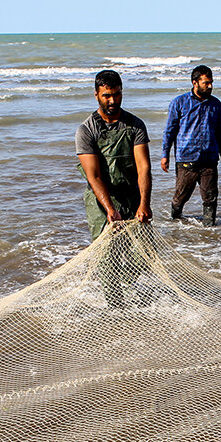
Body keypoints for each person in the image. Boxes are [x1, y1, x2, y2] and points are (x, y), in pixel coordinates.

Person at [75, 70, 153, 307]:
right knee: (107, 255)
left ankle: (126, 284)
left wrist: (144, 204)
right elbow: (94, 174)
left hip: (131, 193)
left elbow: (144, 168)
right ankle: (115, 305)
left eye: (117, 95)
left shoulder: (135, 125)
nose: (112, 101)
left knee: (145, 251)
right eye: (107, 96)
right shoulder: (87, 130)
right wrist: (109, 208)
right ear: (96, 95)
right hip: (101, 200)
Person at [160, 64, 221, 227]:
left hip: (210, 160)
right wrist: (165, 155)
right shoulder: (179, 103)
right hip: (186, 158)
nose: (210, 86)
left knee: (210, 198)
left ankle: (209, 230)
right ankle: (175, 224)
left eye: (211, 82)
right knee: (180, 198)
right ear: (195, 82)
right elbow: (169, 131)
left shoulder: (216, 105)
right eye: (206, 83)